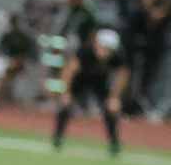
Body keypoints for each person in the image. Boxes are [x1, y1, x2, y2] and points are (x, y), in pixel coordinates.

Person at [52, 28, 129, 157]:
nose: (105, 52)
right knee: (65, 105)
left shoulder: (118, 56)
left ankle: (114, 143)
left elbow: (123, 75)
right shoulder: (85, 52)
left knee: (111, 109)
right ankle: (58, 137)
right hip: (79, 80)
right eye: (103, 47)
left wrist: (114, 97)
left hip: (99, 82)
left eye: (109, 49)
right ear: (97, 44)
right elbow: (69, 71)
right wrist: (66, 93)